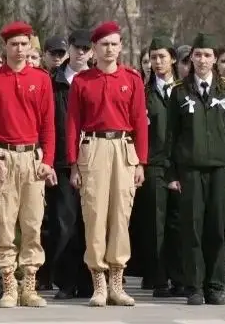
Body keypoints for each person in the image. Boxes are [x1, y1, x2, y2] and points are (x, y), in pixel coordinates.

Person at [66, 21, 149, 307]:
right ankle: (98, 281)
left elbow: (139, 122)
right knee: (94, 215)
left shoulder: (132, 78)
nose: (109, 49)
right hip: (94, 147)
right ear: (94, 49)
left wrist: (141, 162)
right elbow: (73, 123)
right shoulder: (83, 81)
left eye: (114, 44)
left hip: (123, 148)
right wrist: (73, 164)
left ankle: (117, 281)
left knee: (121, 215)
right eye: (104, 44)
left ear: (121, 46)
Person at [0, 22, 55, 308]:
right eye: (14, 44)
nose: (19, 50)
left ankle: (29, 285)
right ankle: (9, 284)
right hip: (3, 157)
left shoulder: (41, 79)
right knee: (4, 225)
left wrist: (48, 160)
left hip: (32, 157)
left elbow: (48, 123)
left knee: (32, 224)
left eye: (24, 44)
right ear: (5, 48)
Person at [166, 36, 225, 305]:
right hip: (190, 170)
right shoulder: (179, 92)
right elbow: (171, 136)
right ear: (191, 59)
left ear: (214, 59)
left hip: (220, 169)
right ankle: (195, 286)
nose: (202, 60)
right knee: (192, 229)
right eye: (197, 55)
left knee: (217, 230)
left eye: (207, 55)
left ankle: (214, 286)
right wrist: (172, 174)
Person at [45, 30, 93, 300]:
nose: (81, 53)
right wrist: (48, 161)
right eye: (76, 48)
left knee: (90, 222)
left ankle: (88, 281)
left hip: (93, 159)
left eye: (86, 48)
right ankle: (65, 281)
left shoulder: (97, 79)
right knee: (64, 223)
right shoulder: (54, 82)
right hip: (62, 161)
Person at [139, 36, 179, 297]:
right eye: (153, 58)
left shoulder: (184, 90)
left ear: (172, 59)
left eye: (162, 56)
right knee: (156, 223)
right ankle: (159, 277)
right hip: (154, 164)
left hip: (181, 164)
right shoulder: (144, 93)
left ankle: (181, 276)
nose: (157, 62)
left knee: (180, 222)